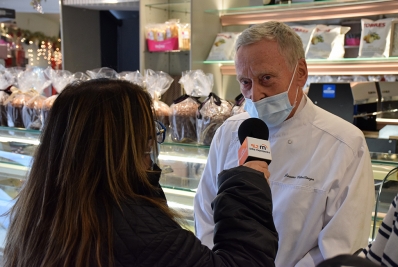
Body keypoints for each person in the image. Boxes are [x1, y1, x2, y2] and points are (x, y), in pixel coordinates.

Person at [3, 78, 278, 267]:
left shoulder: (42, 207)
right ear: (127, 143)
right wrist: (247, 183)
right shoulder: (132, 224)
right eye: (149, 135)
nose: (152, 144)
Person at [194, 21, 375, 267]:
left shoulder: (345, 143)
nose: (255, 95)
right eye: (245, 82)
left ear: (300, 72)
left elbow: (340, 245)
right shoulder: (228, 132)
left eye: (266, 78)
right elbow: (205, 215)